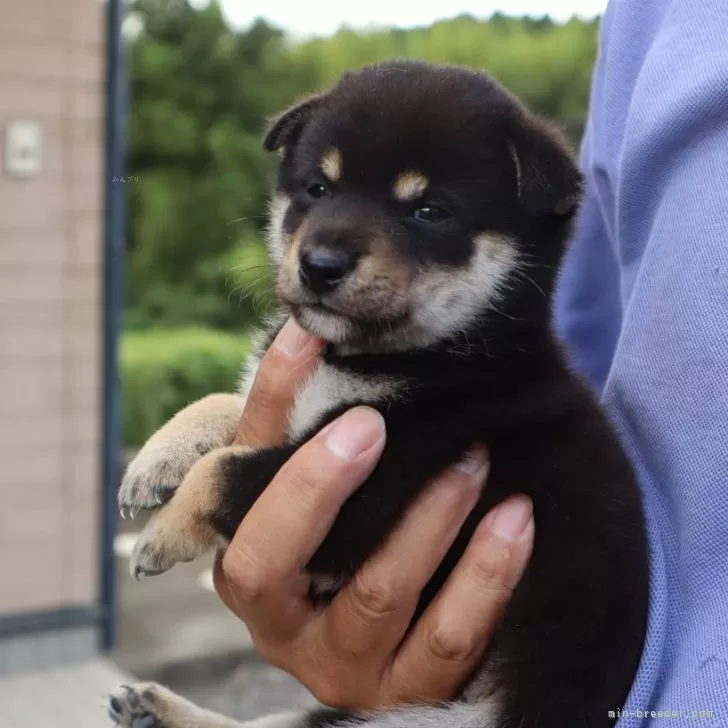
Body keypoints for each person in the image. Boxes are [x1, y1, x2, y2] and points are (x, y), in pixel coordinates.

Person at [215, 0, 728, 722]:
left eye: (426, 213)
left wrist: (215, 496)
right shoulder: (659, 16)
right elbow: (588, 327)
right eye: (318, 190)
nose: (328, 242)